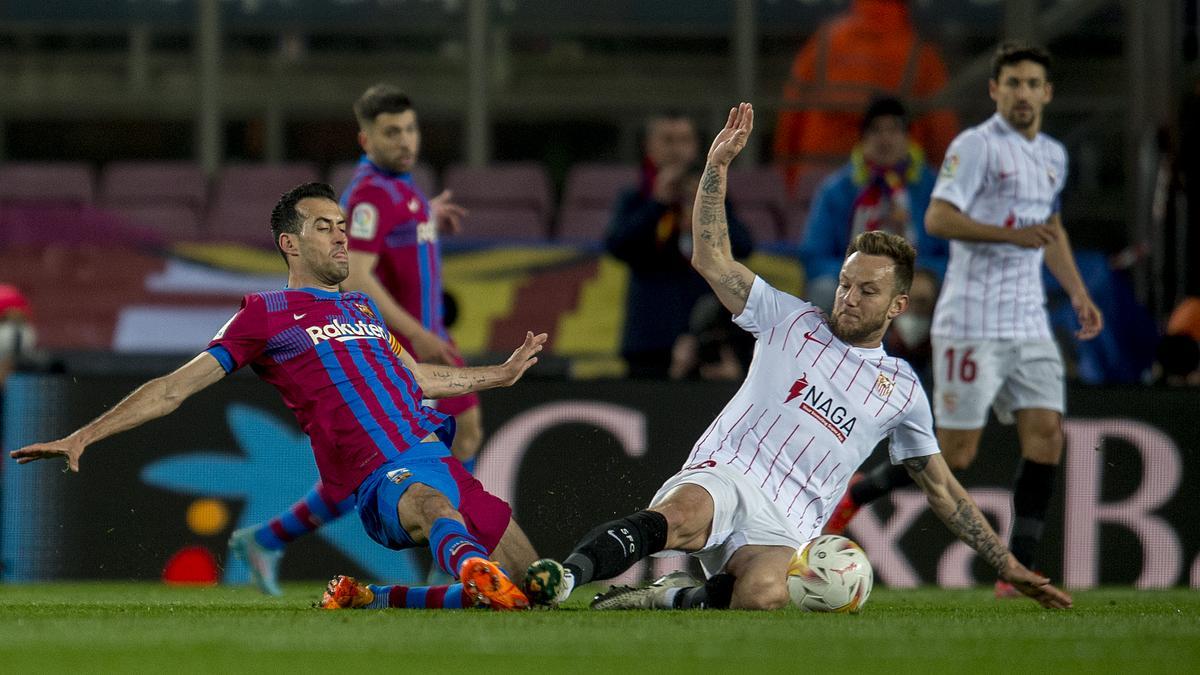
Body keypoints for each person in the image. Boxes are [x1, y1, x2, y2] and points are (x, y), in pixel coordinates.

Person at [522, 103, 1071, 612]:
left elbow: (942, 488)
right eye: (845, 284)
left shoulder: (903, 388)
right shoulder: (788, 318)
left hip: (789, 523)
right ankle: (565, 578)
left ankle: (661, 599)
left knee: (763, 596)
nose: (849, 298)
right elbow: (712, 258)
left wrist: (1007, 564)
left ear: (898, 304)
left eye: (868, 292)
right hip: (729, 474)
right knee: (682, 518)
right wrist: (716, 167)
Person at [12, 182, 549, 612]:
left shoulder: (363, 308)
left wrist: (497, 376)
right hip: (379, 474)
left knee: (535, 592)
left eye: (342, 227)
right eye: (324, 227)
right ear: (290, 243)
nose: (342, 238)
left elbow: (419, 379)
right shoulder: (264, 314)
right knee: (433, 508)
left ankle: (375, 596)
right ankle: (468, 567)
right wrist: (85, 434)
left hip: (434, 456)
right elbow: (175, 387)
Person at [823, 44, 1104, 600]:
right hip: (972, 320)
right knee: (954, 455)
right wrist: (1010, 235)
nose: (1023, 93)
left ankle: (1016, 570)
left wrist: (1077, 292)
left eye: (1032, 84)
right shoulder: (975, 148)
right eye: (1013, 83)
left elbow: (1050, 228)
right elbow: (938, 217)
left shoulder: (1052, 154)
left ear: (1046, 93)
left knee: (1047, 436)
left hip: (1028, 321)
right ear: (995, 90)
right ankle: (861, 490)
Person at [227, 85, 478, 595]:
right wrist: (416, 335)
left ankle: (267, 540)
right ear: (365, 138)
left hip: (429, 338)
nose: (406, 141)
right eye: (391, 132)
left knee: (394, 460)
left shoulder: (403, 189)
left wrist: (425, 214)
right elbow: (358, 276)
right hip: (407, 345)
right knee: (400, 457)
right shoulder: (365, 198)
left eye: (410, 128)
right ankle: (450, 561)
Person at [606, 112, 753, 378]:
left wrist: (708, 207)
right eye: (668, 140)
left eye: (684, 140)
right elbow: (617, 246)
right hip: (649, 338)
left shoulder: (714, 195)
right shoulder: (637, 196)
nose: (677, 149)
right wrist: (658, 204)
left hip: (707, 336)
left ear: (696, 146)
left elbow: (744, 246)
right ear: (649, 146)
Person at [773, 0, 959, 195]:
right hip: (895, 185)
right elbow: (942, 137)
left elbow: (790, 119)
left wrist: (789, 182)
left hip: (814, 179)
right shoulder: (919, 53)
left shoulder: (824, 41)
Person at [799, 96, 948, 312]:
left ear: (908, 138)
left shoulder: (934, 187)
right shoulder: (836, 190)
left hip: (918, 279)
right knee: (823, 290)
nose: (885, 139)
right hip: (853, 281)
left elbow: (955, 254)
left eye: (894, 130)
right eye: (876, 130)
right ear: (863, 139)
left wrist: (926, 274)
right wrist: (858, 277)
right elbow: (814, 256)